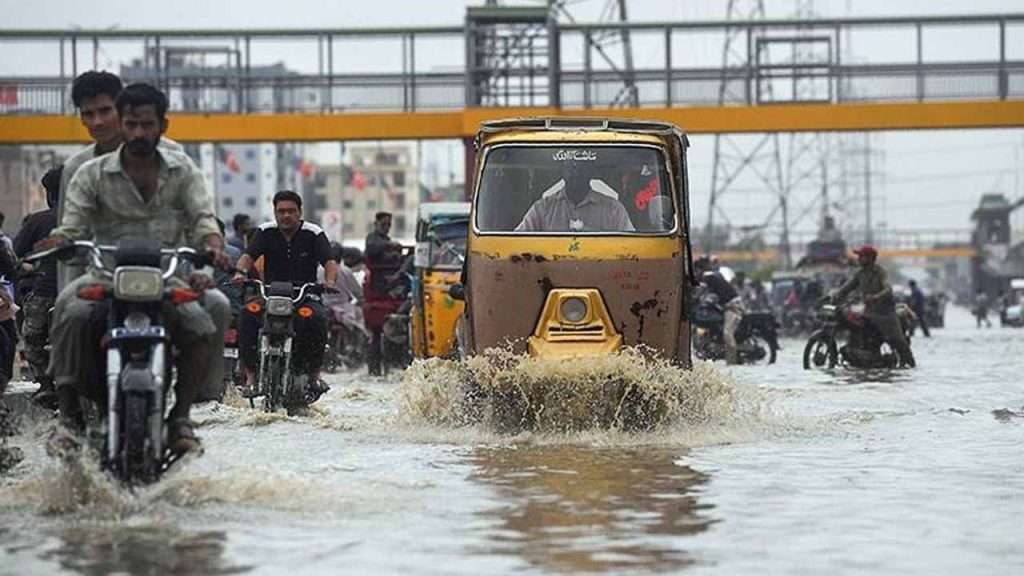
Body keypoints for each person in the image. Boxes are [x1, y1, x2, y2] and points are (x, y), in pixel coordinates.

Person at [40, 83, 230, 454]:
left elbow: (203, 219)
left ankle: (182, 415)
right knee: (67, 308)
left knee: (211, 313)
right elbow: (72, 223)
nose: (138, 133)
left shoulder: (183, 169)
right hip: (104, 275)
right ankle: (67, 419)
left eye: (147, 125)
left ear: (163, 124)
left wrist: (212, 246)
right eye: (131, 125)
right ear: (122, 126)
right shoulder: (88, 172)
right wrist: (59, 240)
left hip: (169, 276)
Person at [57, 71, 186, 291]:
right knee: (69, 316)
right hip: (101, 281)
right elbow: (69, 240)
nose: (97, 122)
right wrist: (67, 293)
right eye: (88, 114)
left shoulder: (173, 156)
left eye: (105, 111)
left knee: (211, 311)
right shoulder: (75, 168)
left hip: (165, 278)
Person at [232, 190, 337, 411]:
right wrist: (241, 272)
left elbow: (329, 261)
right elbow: (248, 256)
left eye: (291, 211)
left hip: (304, 295)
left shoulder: (314, 233)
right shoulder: (264, 232)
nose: (286, 216)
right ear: (275, 212)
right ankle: (250, 376)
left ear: (300, 212)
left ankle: (314, 375)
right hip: (270, 293)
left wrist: (329, 281)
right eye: (281, 211)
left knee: (317, 318)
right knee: (248, 314)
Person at [12, 166, 63, 409]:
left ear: (50, 194)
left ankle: (46, 385)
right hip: (85, 291)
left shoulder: (38, 220)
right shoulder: (94, 219)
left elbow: (15, 254)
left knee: (32, 338)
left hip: (46, 291)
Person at [832, 245, 916, 367]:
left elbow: (888, 288)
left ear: (870, 258)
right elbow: (848, 287)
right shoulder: (860, 274)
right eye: (859, 256)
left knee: (898, 340)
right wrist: (835, 295)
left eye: (861, 256)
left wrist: (876, 296)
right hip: (868, 312)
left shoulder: (881, 272)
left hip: (885, 313)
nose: (859, 259)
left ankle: (910, 363)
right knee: (856, 327)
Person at [515, 160, 634, 232]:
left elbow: (632, 247)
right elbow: (517, 242)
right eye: (571, 166)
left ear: (591, 171)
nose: (576, 172)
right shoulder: (541, 209)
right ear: (561, 171)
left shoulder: (614, 210)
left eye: (582, 167)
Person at [363, 212, 406, 376]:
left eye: (389, 225)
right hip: (377, 293)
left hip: (391, 294)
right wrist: (391, 247)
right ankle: (374, 369)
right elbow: (372, 251)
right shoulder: (372, 239)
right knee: (375, 334)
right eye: (384, 225)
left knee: (394, 333)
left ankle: (392, 365)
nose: (387, 228)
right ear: (376, 224)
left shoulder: (387, 242)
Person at [694, 255, 744, 365]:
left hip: (733, 307)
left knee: (727, 333)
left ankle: (732, 362)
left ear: (700, 269)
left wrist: (695, 298)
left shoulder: (709, 276)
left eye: (697, 269)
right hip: (726, 306)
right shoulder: (714, 275)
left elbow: (700, 290)